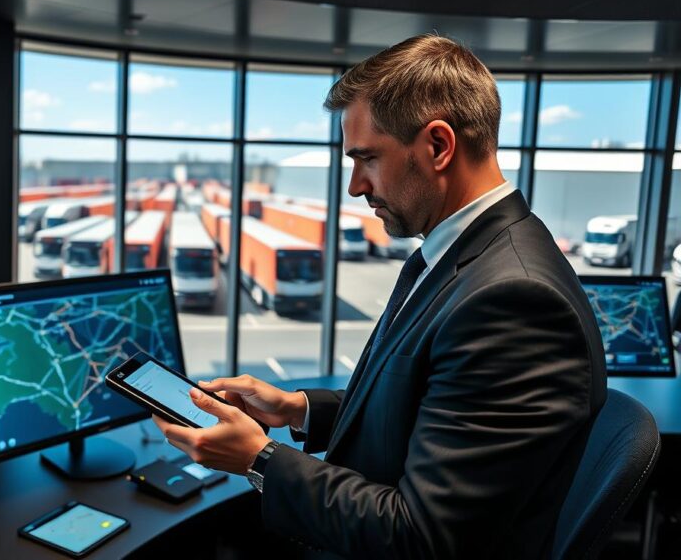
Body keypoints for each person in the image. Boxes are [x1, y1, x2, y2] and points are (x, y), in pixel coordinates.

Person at [153, 34, 607, 559]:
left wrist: (261, 459)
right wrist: (298, 410)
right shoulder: (457, 255)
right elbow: (426, 407)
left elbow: (422, 537)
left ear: (437, 146)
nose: (355, 186)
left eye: (366, 159)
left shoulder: (515, 300)